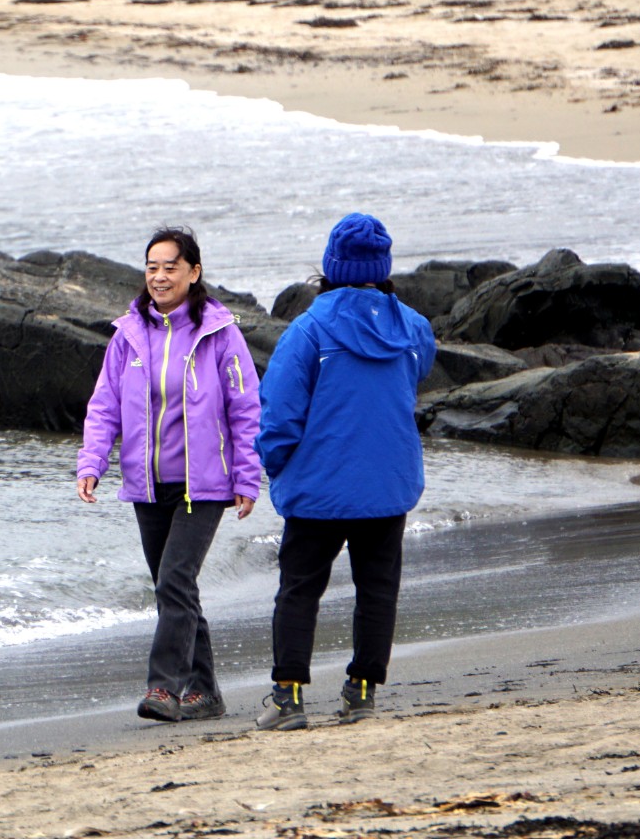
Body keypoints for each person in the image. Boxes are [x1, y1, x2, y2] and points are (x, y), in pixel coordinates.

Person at [253, 212, 436, 731]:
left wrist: (272, 465)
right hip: (387, 486)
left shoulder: (308, 329)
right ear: (382, 268)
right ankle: (361, 691)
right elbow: (415, 375)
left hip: (318, 488)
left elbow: (280, 412)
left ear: (331, 265)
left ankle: (287, 698)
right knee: (377, 590)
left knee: (298, 589)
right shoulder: (412, 328)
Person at [77, 227, 262, 724]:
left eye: (170, 267)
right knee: (175, 587)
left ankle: (163, 686)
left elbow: (246, 409)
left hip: (204, 484)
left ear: (193, 272)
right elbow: (104, 406)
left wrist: (248, 478)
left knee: (173, 581)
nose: (159, 276)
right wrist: (92, 462)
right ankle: (206, 692)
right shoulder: (128, 334)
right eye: (152, 267)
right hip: (147, 484)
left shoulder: (220, 333)